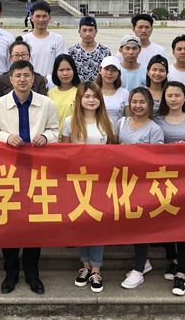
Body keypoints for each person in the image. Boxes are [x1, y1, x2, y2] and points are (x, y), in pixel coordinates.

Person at [0, 60, 60, 295]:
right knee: (9, 223)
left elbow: (55, 131)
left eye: (27, 75)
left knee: (34, 224)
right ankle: (10, 273)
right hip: (8, 173)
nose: (22, 79)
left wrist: (45, 137)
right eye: (18, 76)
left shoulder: (46, 103)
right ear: (10, 79)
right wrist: (6, 138)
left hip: (37, 173)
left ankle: (32, 273)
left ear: (33, 78)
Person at [61, 82, 115, 293]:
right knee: (81, 223)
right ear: (79, 99)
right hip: (77, 182)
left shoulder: (107, 121)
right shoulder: (69, 122)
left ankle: (96, 270)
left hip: (101, 183)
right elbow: (63, 153)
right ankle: (85, 267)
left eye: (95, 96)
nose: (91, 100)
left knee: (97, 225)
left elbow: (113, 152)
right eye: (87, 96)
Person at [155, 81, 185, 296]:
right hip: (162, 180)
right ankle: (172, 259)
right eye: (169, 95)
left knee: (184, 225)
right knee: (165, 221)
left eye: (177, 95)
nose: (173, 99)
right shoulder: (156, 120)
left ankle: (181, 274)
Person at [115, 87, 163, 290]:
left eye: (142, 102)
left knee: (142, 225)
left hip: (144, 185)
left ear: (150, 104)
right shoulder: (121, 123)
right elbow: (110, 151)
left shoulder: (155, 129)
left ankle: (139, 270)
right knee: (130, 225)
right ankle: (144, 261)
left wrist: (133, 152)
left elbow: (156, 161)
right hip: (123, 183)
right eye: (134, 101)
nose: (138, 105)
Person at [21, 2, 68, 77]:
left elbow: (62, 64)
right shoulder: (24, 40)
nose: (41, 20)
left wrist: (49, 80)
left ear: (49, 18)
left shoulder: (58, 39)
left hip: (52, 82)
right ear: (32, 18)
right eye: (38, 16)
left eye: (44, 16)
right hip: (30, 82)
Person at [68, 16, 110, 82]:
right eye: (84, 30)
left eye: (91, 30)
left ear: (96, 32)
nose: (87, 34)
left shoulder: (105, 52)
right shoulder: (72, 52)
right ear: (79, 32)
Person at [47, 54, 81, 125]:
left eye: (68, 69)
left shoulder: (81, 92)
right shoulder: (50, 94)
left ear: (74, 71)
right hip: (55, 132)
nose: (65, 73)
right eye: (61, 70)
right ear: (56, 72)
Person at [96, 56, 129, 126]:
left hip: (118, 132)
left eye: (114, 70)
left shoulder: (125, 93)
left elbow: (128, 119)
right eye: (106, 69)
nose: (109, 73)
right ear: (100, 70)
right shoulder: (93, 91)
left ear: (119, 73)